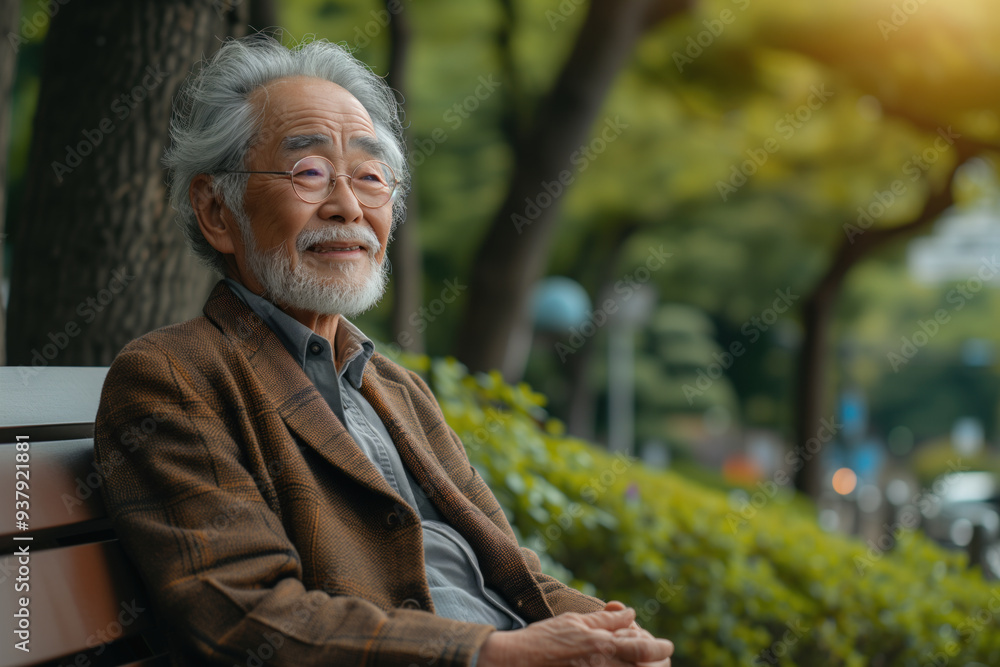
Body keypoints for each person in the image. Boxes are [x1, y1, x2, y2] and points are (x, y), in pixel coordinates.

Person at [94, 34, 674, 667]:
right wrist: (493, 653)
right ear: (215, 210)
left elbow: (512, 574)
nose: (347, 207)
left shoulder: (396, 387)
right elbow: (246, 616)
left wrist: (607, 635)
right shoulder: (175, 378)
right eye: (309, 173)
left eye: (370, 177)